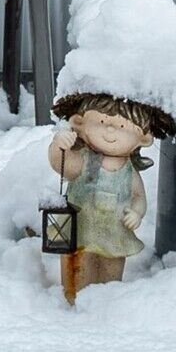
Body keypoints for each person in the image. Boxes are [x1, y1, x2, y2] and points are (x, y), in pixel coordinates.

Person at [42, 94, 165, 301]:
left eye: (123, 127)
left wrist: (136, 212)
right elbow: (60, 165)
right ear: (79, 124)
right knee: (80, 273)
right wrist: (59, 146)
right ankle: (76, 305)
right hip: (82, 232)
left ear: (143, 138)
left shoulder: (129, 172)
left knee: (111, 276)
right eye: (101, 122)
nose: (110, 130)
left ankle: (106, 307)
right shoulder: (83, 161)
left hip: (115, 235)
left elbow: (138, 197)